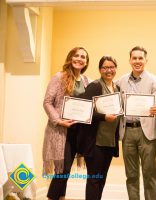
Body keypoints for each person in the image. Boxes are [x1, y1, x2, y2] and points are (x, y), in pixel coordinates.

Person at [116, 46, 156, 200]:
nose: (137, 61)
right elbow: (114, 101)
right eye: (134, 58)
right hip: (127, 132)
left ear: (145, 60)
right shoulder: (121, 81)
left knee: (149, 174)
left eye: (140, 58)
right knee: (131, 175)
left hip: (147, 132)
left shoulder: (154, 80)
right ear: (130, 60)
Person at [42, 47, 90, 200]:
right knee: (62, 170)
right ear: (70, 58)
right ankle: (51, 197)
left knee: (66, 171)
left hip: (78, 132)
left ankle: (61, 197)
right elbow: (47, 102)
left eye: (83, 57)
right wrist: (59, 121)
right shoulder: (59, 77)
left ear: (86, 62)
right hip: (61, 131)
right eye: (76, 55)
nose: (80, 59)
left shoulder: (86, 80)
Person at [77, 56, 120, 200]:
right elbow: (84, 111)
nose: (109, 70)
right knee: (94, 179)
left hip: (109, 141)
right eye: (105, 67)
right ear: (100, 70)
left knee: (102, 179)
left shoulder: (117, 88)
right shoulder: (95, 86)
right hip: (95, 142)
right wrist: (103, 117)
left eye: (111, 67)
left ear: (115, 68)